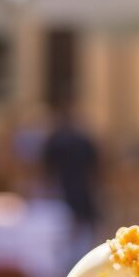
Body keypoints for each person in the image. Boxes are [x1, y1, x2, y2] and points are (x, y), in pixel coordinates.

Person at [42, 105, 101, 257]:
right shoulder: (84, 140)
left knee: (63, 242)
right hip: (82, 193)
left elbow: (46, 170)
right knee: (81, 244)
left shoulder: (54, 140)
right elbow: (95, 170)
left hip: (61, 193)